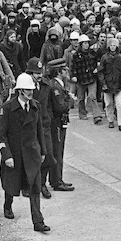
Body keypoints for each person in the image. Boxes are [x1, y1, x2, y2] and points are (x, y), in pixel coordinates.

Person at [0, 73, 50, 233]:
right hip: (14, 155)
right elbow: (1, 135)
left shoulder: (36, 106)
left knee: (35, 188)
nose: (31, 93)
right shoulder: (7, 109)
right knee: (11, 185)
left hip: (32, 154)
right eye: (28, 90)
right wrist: (7, 155)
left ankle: (38, 222)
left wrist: (42, 151)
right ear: (20, 91)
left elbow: (39, 130)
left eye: (32, 90)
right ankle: (8, 205)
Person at [25, 57, 54, 199]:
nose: (39, 76)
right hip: (29, 127)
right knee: (30, 158)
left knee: (47, 156)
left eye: (40, 73)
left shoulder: (45, 86)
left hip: (44, 126)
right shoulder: (24, 87)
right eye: (36, 73)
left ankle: (42, 183)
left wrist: (48, 118)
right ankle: (29, 185)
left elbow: (49, 105)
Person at [47, 58, 76, 192]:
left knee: (58, 150)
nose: (66, 71)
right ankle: (56, 181)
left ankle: (57, 178)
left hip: (59, 121)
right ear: (59, 72)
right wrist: (69, 100)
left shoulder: (57, 84)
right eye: (64, 70)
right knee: (57, 151)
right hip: (57, 122)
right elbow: (60, 107)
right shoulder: (55, 86)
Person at [97, 37, 121, 130]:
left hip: (118, 84)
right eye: (111, 45)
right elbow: (100, 71)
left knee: (119, 104)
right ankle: (110, 120)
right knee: (108, 103)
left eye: (115, 45)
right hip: (108, 83)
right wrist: (103, 82)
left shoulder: (120, 57)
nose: (113, 47)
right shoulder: (104, 57)